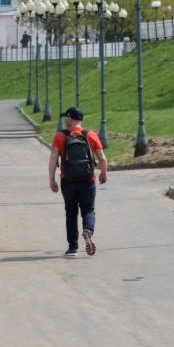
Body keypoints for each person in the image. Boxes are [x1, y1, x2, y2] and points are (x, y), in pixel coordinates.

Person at [48, 106, 108, 258]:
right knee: (88, 210)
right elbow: (102, 157)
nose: (64, 119)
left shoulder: (60, 136)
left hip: (67, 180)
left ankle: (72, 248)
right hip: (87, 180)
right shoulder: (90, 134)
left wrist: (51, 179)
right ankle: (88, 229)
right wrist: (103, 173)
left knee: (71, 213)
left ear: (70, 118)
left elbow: (53, 158)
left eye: (66, 117)